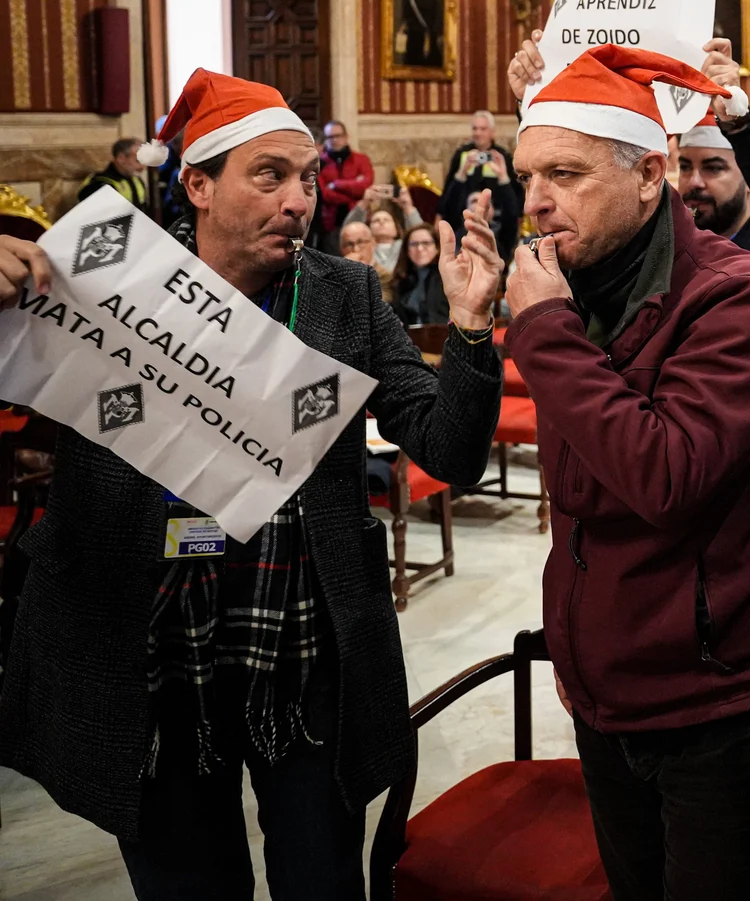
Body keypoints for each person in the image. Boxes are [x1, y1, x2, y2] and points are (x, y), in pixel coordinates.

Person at [0, 67, 504, 900]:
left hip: (302, 657)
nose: (299, 199)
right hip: (157, 663)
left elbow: (447, 448)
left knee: (322, 881)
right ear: (197, 183)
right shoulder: (101, 285)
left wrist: (474, 331)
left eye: (306, 177)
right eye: (268, 175)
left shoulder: (342, 293)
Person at [502, 44, 750, 901]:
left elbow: (665, 474)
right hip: (608, 694)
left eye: (565, 174)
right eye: (527, 175)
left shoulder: (736, 296)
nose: (536, 201)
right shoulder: (575, 281)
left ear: (651, 173)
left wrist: (543, 336)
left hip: (724, 704)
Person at [507, 34, 750, 328]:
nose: (695, 182)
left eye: (714, 168)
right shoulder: (640, 250)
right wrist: (540, 103)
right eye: (686, 166)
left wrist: (741, 128)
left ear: (749, 178)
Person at [443, 110, 523, 259]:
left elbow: (515, 198)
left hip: (496, 219)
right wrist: (462, 171)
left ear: (492, 132)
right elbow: (449, 194)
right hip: (464, 217)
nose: (478, 133)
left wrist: (502, 175)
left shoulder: (501, 156)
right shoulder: (462, 154)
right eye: (475, 129)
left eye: (483, 129)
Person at [317, 121, 373, 249]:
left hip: (359, 218)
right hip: (331, 223)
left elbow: (366, 184)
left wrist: (337, 184)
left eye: (338, 136)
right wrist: (356, 194)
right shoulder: (320, 163)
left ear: (346, 136)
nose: (334, 140)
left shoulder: (361, 160)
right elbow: (326, 195)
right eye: (330, 137)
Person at [393, 224, 450, 325]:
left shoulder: (448, 278)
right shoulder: (400, 281)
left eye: (426, 243)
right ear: (407, 250)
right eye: (414, 244)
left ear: (437, 248)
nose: (419, 248)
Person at [78, 138, 150, 209]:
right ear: (121, 159)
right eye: (138, 161)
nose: (143, 166)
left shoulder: (136, 179)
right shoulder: (99, 184)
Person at [339, 219, 395, 303]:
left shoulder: (387, 276)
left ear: (373, 243)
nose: (355, 249)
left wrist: (355, 273)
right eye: (349, 244)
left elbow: (379, 304)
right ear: (341, 249)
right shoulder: (335, 277)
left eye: (360, 242)